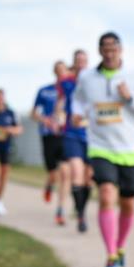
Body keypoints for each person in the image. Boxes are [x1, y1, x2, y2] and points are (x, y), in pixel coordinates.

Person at [71, 32, 134, 267]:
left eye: (113, 47)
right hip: (100, 146)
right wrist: (77, 113)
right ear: (99, 50)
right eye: (104, 48)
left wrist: (129, 98)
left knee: (127, 204)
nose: (109, 52)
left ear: (121, 49)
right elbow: (77, 100)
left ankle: (121, 245)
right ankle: (111, 255)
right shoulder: (87, 77)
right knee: (106, 196)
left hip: (130, 149)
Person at [33, 61, 70, 225]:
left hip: (66, 135)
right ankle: (49, 185)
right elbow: (34, 113)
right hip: (48, 135)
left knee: (65, 172)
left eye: (64, 71)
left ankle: (60, 209)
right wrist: (45, 120)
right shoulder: (45, 90)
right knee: (53, 173)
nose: (61, 73)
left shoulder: (73, 90)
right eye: (58, 71)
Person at [61, 49, 93, 232]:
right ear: (73, 62)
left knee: (88, 178)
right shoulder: (67, 82)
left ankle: (82, 208)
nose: (81, 63)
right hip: (72, 133)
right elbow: (60, 101)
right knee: (76, 172)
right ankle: (81, 215)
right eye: (78, 60)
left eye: (84, 60)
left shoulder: (93, 81)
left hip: (91, 135)